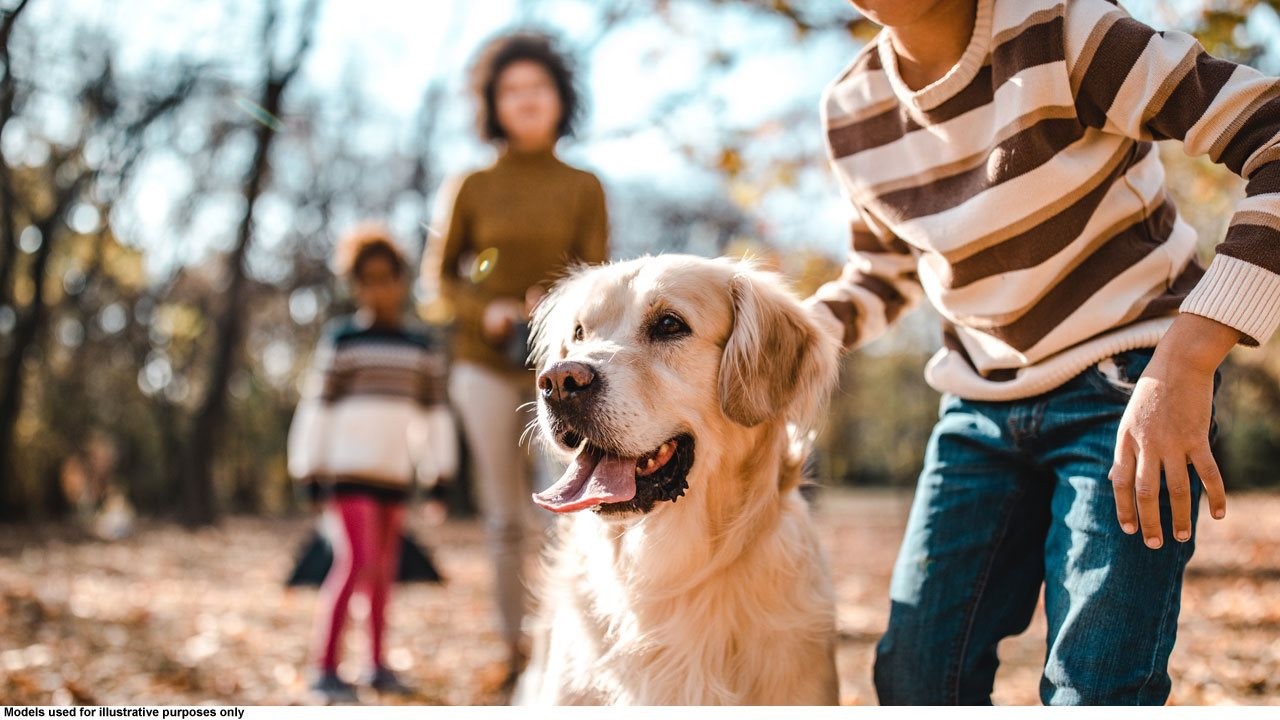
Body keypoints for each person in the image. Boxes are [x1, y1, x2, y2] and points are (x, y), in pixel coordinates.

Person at [806, 0, 1280, 705]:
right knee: (916, 681)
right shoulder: (852, 110)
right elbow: (884, 271)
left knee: (1095, 688)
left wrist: (1189, 356)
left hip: (1130, 391)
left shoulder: (1064, 30)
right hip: (977, 409)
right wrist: (777, 337)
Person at [421, 30, 609, 686]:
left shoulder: (585, 186)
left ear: (561, 98)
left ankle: (570, 648)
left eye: (539, 88)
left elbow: (597, 282)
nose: (526, 100)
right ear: (492, 104)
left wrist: (555, 302)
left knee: (567, 508)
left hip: (564, 375)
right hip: (482, 366)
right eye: (512, 90)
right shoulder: (471, 184)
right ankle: (515, 651)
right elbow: (439, 280)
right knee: (504, 518)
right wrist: (490, 309)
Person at [288, 224, 457, 703]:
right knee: (356, 563)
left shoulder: (422, 349)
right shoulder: (341, 341)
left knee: (384, 569)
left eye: (387, 277)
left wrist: (438, 474)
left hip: (395, 475)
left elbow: (435, 418)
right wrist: (307, 468)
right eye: (367, 279)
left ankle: (377, 664)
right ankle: (324, 667)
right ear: (354, 284)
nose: (377, 287)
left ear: (402, 280)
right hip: (347, 473)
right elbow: (315, 409)